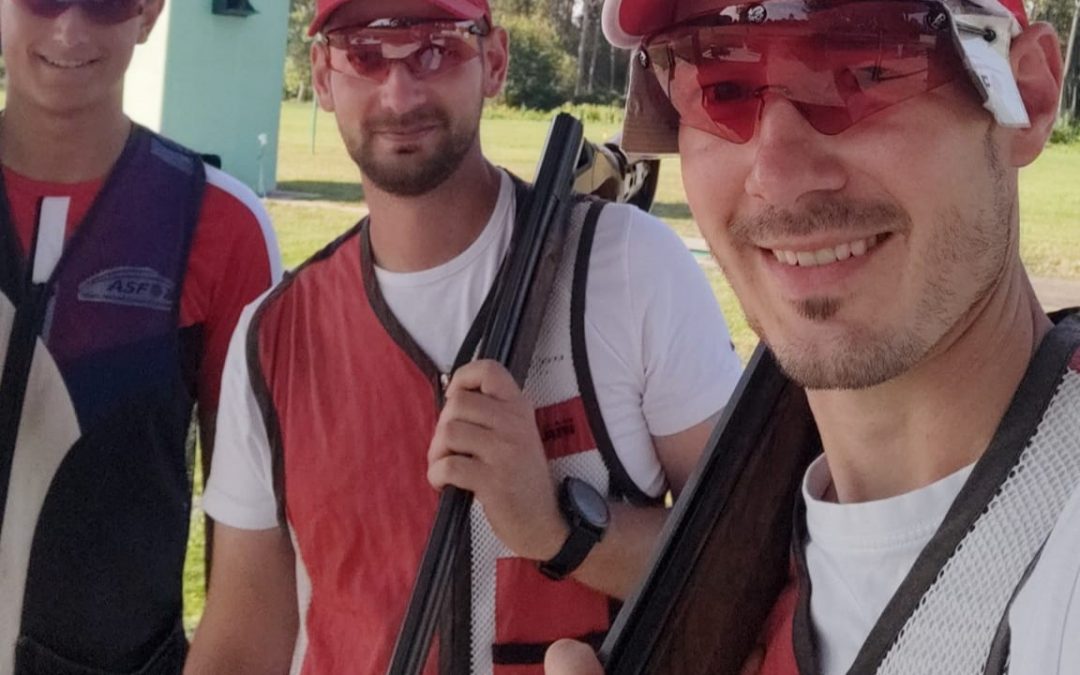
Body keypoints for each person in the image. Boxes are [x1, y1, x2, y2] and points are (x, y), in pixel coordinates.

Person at [184, 0, 745, 672]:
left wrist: (557, 530)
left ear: (494, 61)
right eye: (365, 53)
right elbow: (243, 641)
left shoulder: (626, 266)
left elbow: (747, 559)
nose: (400, 93)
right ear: (324, 76)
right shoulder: (275, 334)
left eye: (436, 48)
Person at [546, 0, 1079, 672]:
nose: (777, 177)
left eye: (867, 66)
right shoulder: (758, 557)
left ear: (1025, 97)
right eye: (722, 85)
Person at [0, 0, 282, 672]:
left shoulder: (219, 223)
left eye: (105, 2)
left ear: (149, 12)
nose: (70, 29)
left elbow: (255, 562)